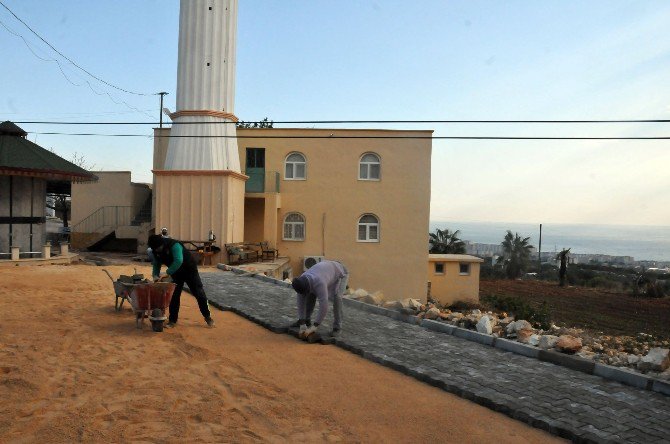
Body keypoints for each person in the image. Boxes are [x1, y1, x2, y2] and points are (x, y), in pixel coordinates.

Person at [147, 234, 215, 328]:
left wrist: (167, 272)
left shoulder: (174, 245)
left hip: (189, 269)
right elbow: (156, 263)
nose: (157, 250)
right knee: (174, 295)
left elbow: (178, 260)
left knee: (198, 292)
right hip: (175, 272)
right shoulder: (155, 250)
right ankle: (172, 320)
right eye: (155, 249)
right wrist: (155, 276)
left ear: (162, 244)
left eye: (158, 248)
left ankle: (207, 317)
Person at [291, 260, 348, 338]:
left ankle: (337, 327)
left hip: (341, 273)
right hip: (327, 271)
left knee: (337, 298)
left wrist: (315, 326)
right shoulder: (300, 281)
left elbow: (324, 306)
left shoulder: (319, 283)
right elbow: (300, 303)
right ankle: (306, 321)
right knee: (310, 294)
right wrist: (302, 323)